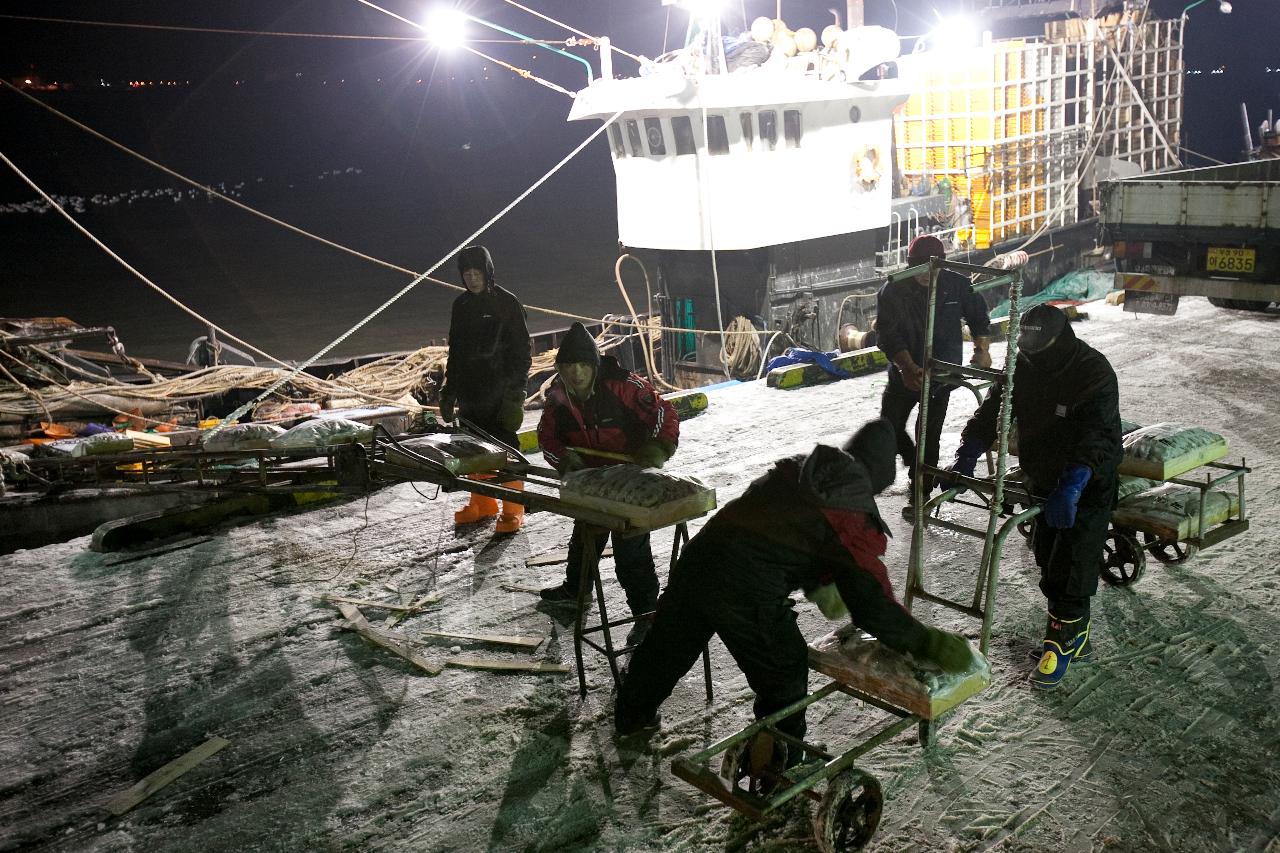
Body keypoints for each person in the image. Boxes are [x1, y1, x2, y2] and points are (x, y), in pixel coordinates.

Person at [614, 418, 975, 739]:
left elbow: (781, 530)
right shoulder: (849, 514)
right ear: (879, 479)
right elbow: (872, 606)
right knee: (784, 671)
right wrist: (926, 642)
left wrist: (818, 577)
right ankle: (776, 765)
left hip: (700, 559)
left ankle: (632, 718)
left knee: (668, 647)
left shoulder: (804, 473)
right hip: (745, 587)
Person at [942, 303, 1122, 690]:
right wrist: (968, 451)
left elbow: (1099, 434)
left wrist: (1074, 483)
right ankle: (1078, 635)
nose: (1031, 358)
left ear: (1060, 342)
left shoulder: (1092, 371)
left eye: (1039, 352)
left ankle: (1065, 638)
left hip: (1086, 481)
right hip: (1042, 474)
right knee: (1047, 556)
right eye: (1026, 350)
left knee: (1072, 561)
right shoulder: (1023, 364)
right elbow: (994, 408)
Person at [537, 322, 679, 632]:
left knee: (631, 552)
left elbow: (663, 413)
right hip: (593, 482)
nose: (576, 373)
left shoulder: (623, 386)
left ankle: (645, 615)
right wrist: (565, 460)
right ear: (561, 368)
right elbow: (546, 437)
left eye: (583, 365)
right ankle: (575, 591)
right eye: (569, 366)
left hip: (632, 479)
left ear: (594, 365)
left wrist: (656, 450)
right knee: (585, 539)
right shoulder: (558, 398)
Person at [877, 234, 992, 506]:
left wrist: (982, 350)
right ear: (909, 264)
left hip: (942, 373)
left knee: (928, 431)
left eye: (933, 265)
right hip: (904, 373)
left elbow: (979, 317)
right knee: (888, 425)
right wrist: (906, 367)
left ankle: (922, 485)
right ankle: (910, 460)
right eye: (919, 265)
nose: (927, 273)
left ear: (942, 263)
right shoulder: (893, 290)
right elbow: (887, 334)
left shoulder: (957, 285)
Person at [439, 245, 532, 533]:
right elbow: (455, 351)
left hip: (500, 393)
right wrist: (448, 390)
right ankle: (483, 502)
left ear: (487, 272)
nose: (472, 279)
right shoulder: (461, 306)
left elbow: (522, 353)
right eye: (467, 274)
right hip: (471, 395)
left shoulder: (507, 303)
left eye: (477, 272)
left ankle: (513, 508)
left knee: (505, 449)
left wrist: (515, 394)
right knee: (472, 450)